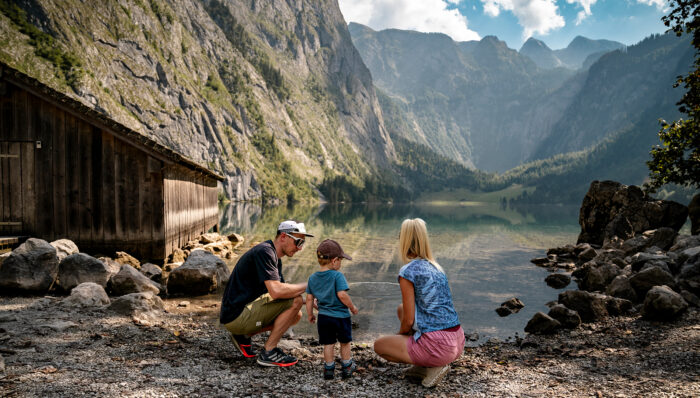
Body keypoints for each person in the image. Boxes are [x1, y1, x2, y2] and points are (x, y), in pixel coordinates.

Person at [373, 218, 465, 388]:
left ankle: (433, 366)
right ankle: (423, 366)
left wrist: (400, 335)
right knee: (401, 309)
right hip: (457, 341)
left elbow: (408, 321)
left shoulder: (408, 272)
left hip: (438, 347)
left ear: (404, 240)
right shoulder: (436, 267)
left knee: (380, 346)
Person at [220, 220, 313, 367]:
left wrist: (312, 301)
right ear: (283, 237)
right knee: (295, 302)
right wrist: (310, 284)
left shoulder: (273, 256)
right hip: (235, 316)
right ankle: (269, 352)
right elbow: (276, 292)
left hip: (236, 314)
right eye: (298, 242)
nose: (300, 248)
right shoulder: (265, 252)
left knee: (296, 315)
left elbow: (283, 294)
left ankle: (244, 335)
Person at [306, 239, 359, 380]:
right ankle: (347, 366)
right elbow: (342, 294)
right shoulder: (337, 276)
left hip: (323, 317)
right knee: (344, 342)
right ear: (334, 261)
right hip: (341, 317)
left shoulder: (312, 278)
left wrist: (310, 314)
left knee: (328, 343)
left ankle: (329, 369)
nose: (340, 263)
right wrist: (352, 307)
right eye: (341, 260)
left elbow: (310, 299)